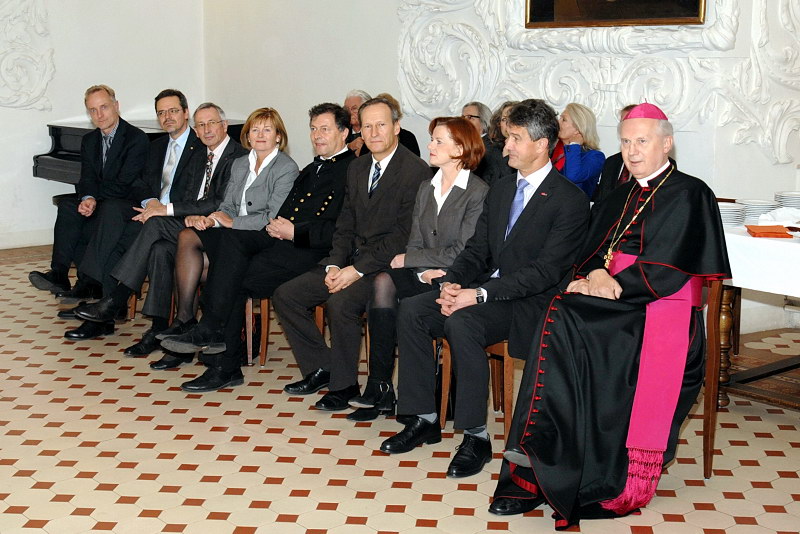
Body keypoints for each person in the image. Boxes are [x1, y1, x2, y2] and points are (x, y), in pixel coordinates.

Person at [490, 103, 731, 529]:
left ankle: (558, 461)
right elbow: (590, 251)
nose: (632, 151)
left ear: (666, 143)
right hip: (615, 307)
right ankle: (539, 461)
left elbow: (668, 269)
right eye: (625, 141)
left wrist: (612, 283)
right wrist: (594, 275)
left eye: (642, 141)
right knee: (560, 313)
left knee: (564, 317)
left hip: (657, 311)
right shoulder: (619, 193)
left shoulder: (690, 193)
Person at [379, 99, 589, 479]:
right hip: (486, 290)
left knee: (463, 323)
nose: (505, 146)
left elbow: (544, 272)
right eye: (507, 137)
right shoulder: (502, 189)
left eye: (515, 138)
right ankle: (424, 417)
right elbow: (477, 249)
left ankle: (476, 437)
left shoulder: (569, 200)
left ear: (542, 144)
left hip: (531, 302)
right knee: (413, 310)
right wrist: (452, 282)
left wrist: (478, 295)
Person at [156, 103, 354, 384]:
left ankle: (217, 348)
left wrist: (295, 232)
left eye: (325, 129)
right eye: (313, 129)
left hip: (316, 252)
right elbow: (286, 211)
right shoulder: (312, 168)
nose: (317, 135)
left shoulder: (351, 170)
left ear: (344, 132)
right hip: (285, 243)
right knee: (229, 270)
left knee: (230, 273)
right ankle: (221, 357)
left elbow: (343, 227)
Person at [272, 97, 430, 412]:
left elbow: (402, 237)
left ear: (396, 127)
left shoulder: (415, 170)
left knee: (340, 303)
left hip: (385, 267)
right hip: (349, 259)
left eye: (381, 124)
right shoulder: (358, 167)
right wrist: (334, 263)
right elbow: (345, 224)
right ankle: (324, 367)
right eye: (367, 126)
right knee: (286, 295)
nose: (373, 132)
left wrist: (355, 270)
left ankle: (343, 387)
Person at [72, 102, 247, 354]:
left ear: (225, 125)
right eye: (201, 125)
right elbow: (189, 195)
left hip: (221, 229)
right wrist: (181, 212)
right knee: (159, 250)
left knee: (153, 224)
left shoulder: (239, 156)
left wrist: (166, 210)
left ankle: (116, 299)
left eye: (212, 123)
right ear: (196, 129)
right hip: (192, 225)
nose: (207, 130)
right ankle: (162, 327)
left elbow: (219, 201)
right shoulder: (200, 155)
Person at [347, 116, 489, 422]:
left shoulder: (478, 192)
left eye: (438, 141)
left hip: (457, 278)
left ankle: (414, 401)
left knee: (407, 300)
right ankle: (380, 384)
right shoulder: (427, 187)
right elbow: (413, 242)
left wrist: (412, 261)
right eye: (432, 139)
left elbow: (463, 251)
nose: (430, 145)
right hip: (425, 273)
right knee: (383, 282)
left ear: (460, 149)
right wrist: (421, 269)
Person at [157, 107, 299, 348]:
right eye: (255, 130)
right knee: (188, 235)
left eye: (267, 130)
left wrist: (232, 223)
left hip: (262, 236)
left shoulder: (286, 168)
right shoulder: (240, 164)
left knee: (204, 266)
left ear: (278, 136)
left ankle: (199, 325)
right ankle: (186, 319)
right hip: (232, 233)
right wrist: (211, 220)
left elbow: (272, 216)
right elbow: (228, 206)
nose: (260, 135)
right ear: (247, 135)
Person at [63, 89, 199, 340]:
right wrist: (150, 203)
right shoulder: (157, 146)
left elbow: (198, 194)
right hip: (152, 212)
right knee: (114, 225)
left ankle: (109, 304)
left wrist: (163, 209)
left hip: (179, 216)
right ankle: (104, 313)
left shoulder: (200, 146)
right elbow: (139, 182)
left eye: (173, 111)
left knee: (124, 235)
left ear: (186, 112)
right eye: (161, 113)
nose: (167, 117)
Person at [29, 85, 148, 297]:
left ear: (116, 106)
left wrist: (94, 199)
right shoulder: (90, 140)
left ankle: (88, 282)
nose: (99, 114)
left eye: (104, 107)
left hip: (124, 203)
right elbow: (87, 178)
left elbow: (125, 182)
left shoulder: (135, 138)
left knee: (97, 213)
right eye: (93, 110)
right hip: (102, 199)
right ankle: (59, 274)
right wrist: (88, 197)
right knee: (68, 207)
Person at [552, 102, 605, 198]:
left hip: (571, 206)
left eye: (563, 120)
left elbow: (572, 177)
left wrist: (574, 144)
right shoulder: (552, 149)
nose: (558, 122)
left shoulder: (595, 157)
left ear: (578, 128)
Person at [462, 101, 510, 186]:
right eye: (462, 117)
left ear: (483, 120)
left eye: (469, 117)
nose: (463, 121)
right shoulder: (463, 145)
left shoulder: (492, 148)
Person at [344, 89, 371, 156]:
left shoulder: (374, 130)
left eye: (354, 108)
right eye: (347, 109)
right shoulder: (341, 131)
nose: (350, 112)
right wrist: (348, 147)